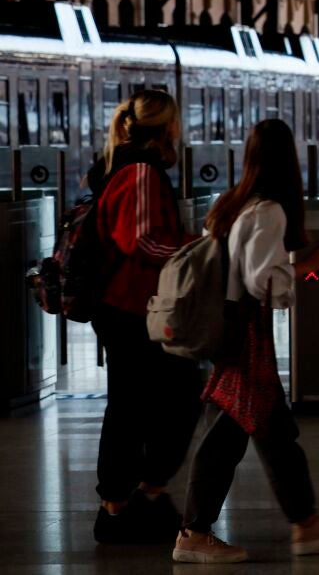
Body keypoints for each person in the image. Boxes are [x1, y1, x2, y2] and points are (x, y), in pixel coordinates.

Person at [173, 120, 319, 563]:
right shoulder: (269, 210)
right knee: (229, 433)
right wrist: (307, 267)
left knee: (274, 431)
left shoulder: (232, 203)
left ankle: (305, 522)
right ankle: (193, 532)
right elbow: (262, 281)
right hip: (246, 335)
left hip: (232, 329)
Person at [87, 90, 202, 545]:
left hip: (134, 305)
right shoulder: (139, 171)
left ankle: (139, 496)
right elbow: (141, 240)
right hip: (130, 306)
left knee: (147, 401)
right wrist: (196, 249)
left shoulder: (130, 165)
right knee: (151, 401)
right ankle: (123, 502)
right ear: (169, 126)